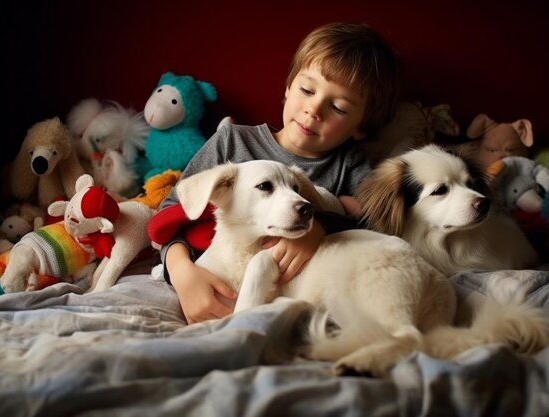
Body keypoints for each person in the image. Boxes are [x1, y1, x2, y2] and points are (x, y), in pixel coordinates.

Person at [150, 21, 404, 324]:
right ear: (287, 88)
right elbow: (169, 213)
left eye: (338, 107)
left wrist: (319, 227)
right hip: (212, 274)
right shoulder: (233, 140)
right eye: (307, 89)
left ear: (362, 127)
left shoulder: (350, 165)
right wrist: (181, 273)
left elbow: (382, 224)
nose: (314, 110)